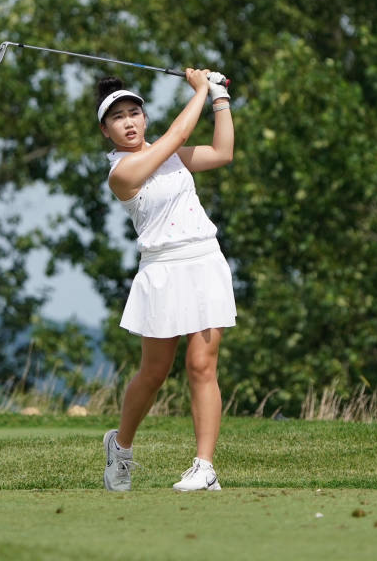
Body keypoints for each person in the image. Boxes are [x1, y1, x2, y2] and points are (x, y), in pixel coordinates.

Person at [98, 67, 235, 492]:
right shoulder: (122, 173)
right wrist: (198, 90)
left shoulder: (170, 154)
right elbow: (177, 135)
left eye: (134, 112)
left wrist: (218, 99)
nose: (129, 121)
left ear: (144, 118)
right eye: (118, 117)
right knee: (154, 373)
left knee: (201, 366)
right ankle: (120, 448)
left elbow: (223, 152)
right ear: (106, 131)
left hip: (204, 260)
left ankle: (205, 467)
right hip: (161, 270)